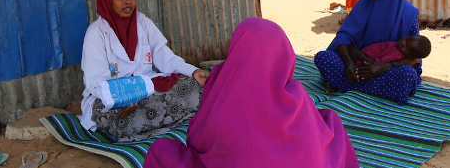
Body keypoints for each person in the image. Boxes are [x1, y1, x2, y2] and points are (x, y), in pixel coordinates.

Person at [144, 17, 359, 168]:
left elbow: (199, 140)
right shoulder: (296, 93)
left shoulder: (223, 90)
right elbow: (313, 129)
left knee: (162, 150)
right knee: (330, 120)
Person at [78, 0, 209, 141]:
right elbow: (95, 82)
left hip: (144, 89)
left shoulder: (143, 23)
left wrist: (193, 71)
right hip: (110, 96)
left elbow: (165, 57)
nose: (128, 1)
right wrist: (119, 101)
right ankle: (155, 122)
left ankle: (147, 125)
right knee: (117, 116)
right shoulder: (96, 33)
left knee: (189, 83)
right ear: (107, 0)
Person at [314, 0, 421, 105]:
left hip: (386, 69)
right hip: (356, 63)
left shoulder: (409, 14)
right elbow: (343, 37)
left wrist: (383, 67)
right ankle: (372, 89)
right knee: (324, 58)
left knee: (407, 75)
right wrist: (350, 64)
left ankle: (346, 85)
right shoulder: (363, 4)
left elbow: (415, 57)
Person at [349, 35, 431, 67]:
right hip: (361, 54)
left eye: (405, 46)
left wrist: (366, 62)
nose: (403, 42)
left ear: (410, 56)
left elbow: (378, 63)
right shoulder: (398, 46)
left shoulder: (395, 55)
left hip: (361, 60)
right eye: (406, 39)